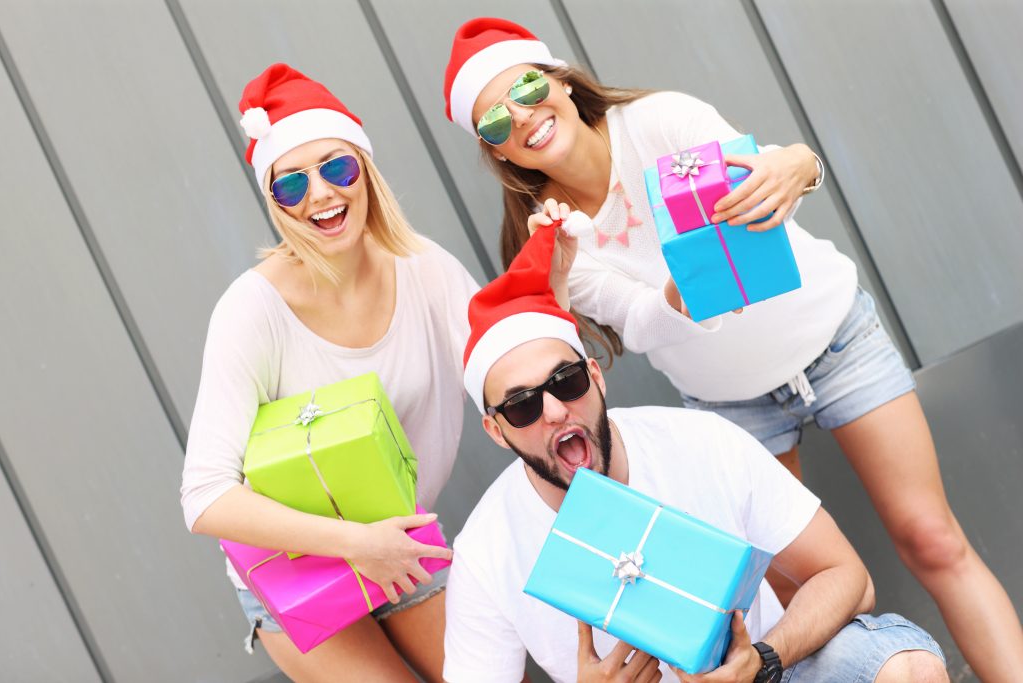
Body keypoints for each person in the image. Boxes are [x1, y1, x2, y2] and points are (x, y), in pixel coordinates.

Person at [441, 17, 1023, 680]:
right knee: (786, 601)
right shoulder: (551, 242)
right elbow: (647, 323)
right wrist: (646, 281)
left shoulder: (659, 121)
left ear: (561, 80)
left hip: (833, 339)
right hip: (731, 399)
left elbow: (767, 196)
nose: (520, 116)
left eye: (524, 86)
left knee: (931, 537)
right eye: (493, 122)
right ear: (501, 154)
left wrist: (795, 164)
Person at [443, 221, 947, 683]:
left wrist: (763, 659)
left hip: (772, 676)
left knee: (909, 671)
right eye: (523, 405)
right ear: (495, 430)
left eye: (566, 380)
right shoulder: (487, 551)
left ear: (595, 377)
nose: (554, 411)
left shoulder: (700, 441)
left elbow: (847, 577)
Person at [180, 63, 476, 683]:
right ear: (274, 201)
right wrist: (357, 545)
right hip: (300, 567)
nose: (320, 194)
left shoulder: (424, 268)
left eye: (336, 168)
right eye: (291, 184)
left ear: (366, 170)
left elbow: (497, 364)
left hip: (398, 543)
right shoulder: (251, 309)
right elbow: (205, 498)